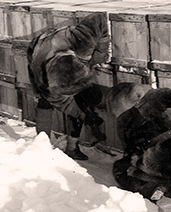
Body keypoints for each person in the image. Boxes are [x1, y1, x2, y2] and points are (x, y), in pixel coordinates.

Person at [106, 83, 171, 201]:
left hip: (162, 163)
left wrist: (136, 166)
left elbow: (130, 153)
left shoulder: (124, 122)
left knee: (121, 168)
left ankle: (155, 187)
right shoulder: (162, 95)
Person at [27, 12, 109, 160]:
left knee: (80, 99)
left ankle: (72, 147)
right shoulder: (53, 81)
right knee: (45, 100)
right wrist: (84, 115)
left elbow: (99, 18)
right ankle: (41, 146)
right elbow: (63, 102)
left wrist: (101, 52)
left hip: (53, 46)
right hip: (41, 57)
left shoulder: (82, 39)